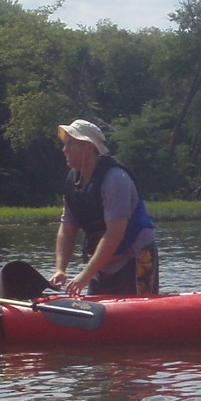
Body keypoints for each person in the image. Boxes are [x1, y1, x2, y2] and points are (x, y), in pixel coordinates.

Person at [49, 119, 159, 297]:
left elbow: (114, 234)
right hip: (103, 264)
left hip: (135, 257)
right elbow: (67, 229)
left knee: (136, 313)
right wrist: (60, 269)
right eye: (65, 144)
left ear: (89, 147)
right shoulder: (73, 181)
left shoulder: (115, 179)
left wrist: (85, 275)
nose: (65, 150)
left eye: (71, 144)